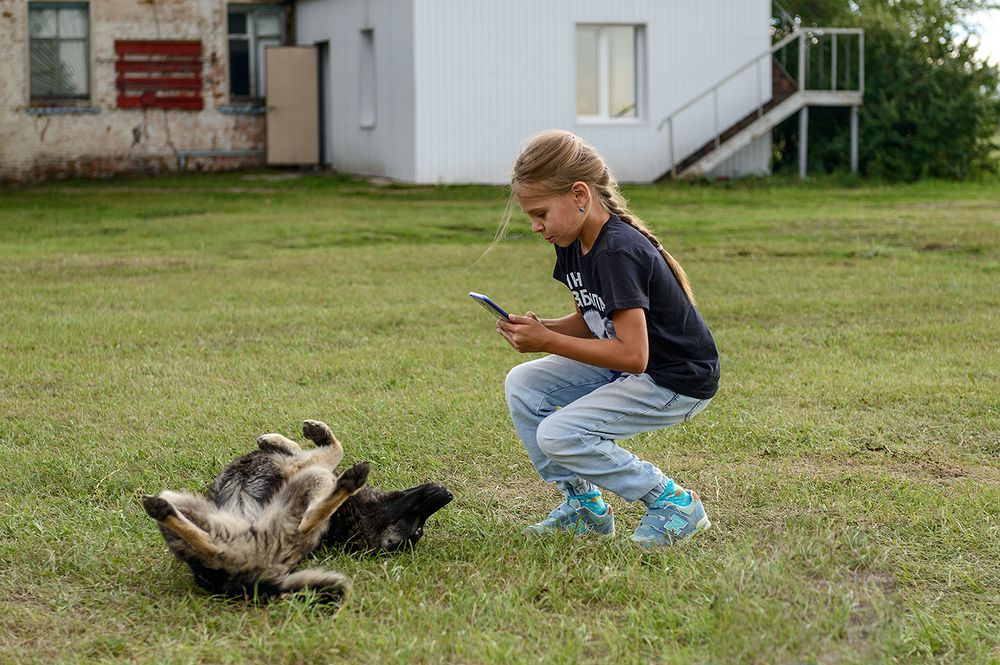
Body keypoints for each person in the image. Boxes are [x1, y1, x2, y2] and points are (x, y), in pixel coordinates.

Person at [494, 130, 720, 548]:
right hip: (631, 365)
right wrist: (543, 328)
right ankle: (584, 507)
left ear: (579, 195)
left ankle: (673, 503)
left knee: (558, 434)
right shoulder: (572, 241)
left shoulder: (617, 251)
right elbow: (593, 319)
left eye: (540, 213)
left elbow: (633, 355)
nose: (535, 226)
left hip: (674, 379)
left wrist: (547, 341)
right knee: (522, 384)